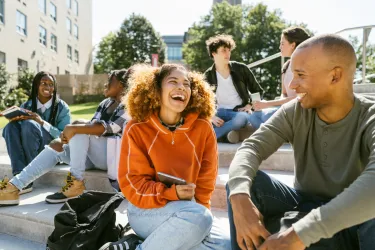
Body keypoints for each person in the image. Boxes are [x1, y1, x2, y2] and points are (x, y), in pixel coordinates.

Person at [227, 34, 375, 250]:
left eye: (300, 75)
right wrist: (238, 195)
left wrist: (302, 233)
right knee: (248, 183)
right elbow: (251, 147)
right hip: (305, 203)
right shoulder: (295, 111)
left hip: (355, 221)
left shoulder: (370, 117)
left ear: (335, 76)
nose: (292, 85)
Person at [99, 64, 230, 250]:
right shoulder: (136, 128)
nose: (181, 88)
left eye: (186, 84)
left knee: (225, 244)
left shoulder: (203, 128)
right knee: (197, 221)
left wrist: (199, 219)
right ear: (156, 90)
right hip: (145, 209)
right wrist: (171, 194)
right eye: (173, 81)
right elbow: (133, 185)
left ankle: (137, 244)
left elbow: (205, 182)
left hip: (190, 209)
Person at [0, 68, 131, 205]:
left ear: (120, 85)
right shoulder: (105, 103)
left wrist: (74, 128)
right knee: (55, 146)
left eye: (110, 81)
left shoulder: (129, 106)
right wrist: (65, 138)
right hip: (94, 157)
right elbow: (92, 127)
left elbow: (109, 128)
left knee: (78, 128)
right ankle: (14, 186)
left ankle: (76, 182)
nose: (105, 84)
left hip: (112, 158)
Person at [1, 71, 71, 194]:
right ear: (36, 86)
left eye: (51, 84)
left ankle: (26, 180)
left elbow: (64, 136)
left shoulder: (62, 107)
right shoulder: (27, 104)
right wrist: (15, 120)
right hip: (30, 145)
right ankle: (18, 174)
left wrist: (41, 122)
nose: (48, 87)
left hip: (52, 150)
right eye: (44, 83)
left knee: (30, 124)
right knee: (10, 127)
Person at [204, 34, 264, 143]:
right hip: (218, 113)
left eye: (229, 50)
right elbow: (202, 101)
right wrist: (211, 116)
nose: (228, 54)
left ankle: (211, 138)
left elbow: (257, 90)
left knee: (243, 118)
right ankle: (227, 135)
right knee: (202, 120)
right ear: (214, 53)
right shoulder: (207, 75)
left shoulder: (241, 69)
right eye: (223, 51)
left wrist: (250, 104)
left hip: (237, 112)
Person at [249, 27, 310, 129]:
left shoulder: (305, 66)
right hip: (285, 108)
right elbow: (284, 93)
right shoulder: (286, 66)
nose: (279, 47)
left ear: (293, 45)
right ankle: (276, 131)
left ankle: (272, 132)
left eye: (282, 43)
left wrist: (268, 103)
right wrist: (279, 104)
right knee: (253, 117)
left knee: (269, 115)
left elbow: (301, 97)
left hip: (299, 110)